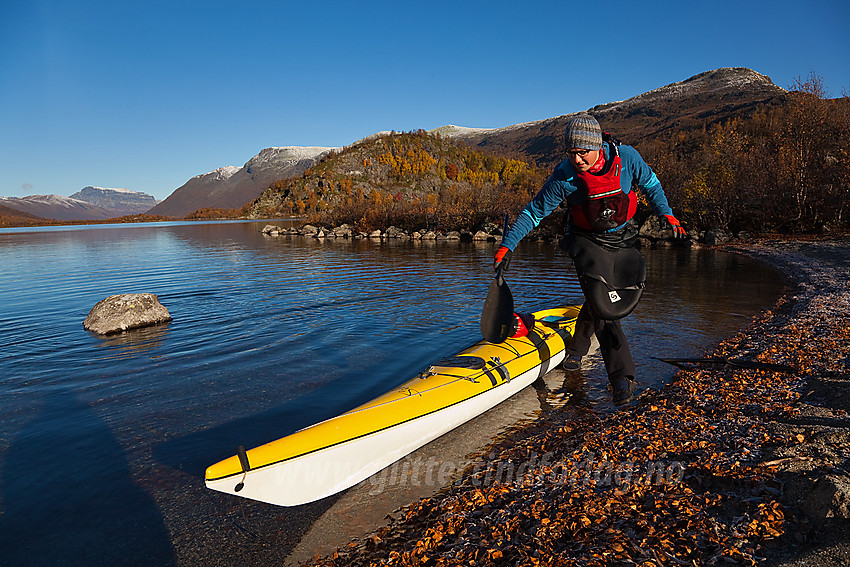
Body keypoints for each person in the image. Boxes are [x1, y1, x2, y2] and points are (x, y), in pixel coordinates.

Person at [493, 114, 686, 406]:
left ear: (598, 145)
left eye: (583, 152)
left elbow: (652, 184)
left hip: (620, 238)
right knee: (605, 305)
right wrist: (508, 245)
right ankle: (622, 378)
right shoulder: (564, 176)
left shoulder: (628, 158)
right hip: (584, 241)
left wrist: (665, 212)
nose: (577, 159)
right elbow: (534, 212)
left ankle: (577, 349)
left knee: (603, 296)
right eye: (571, 153)